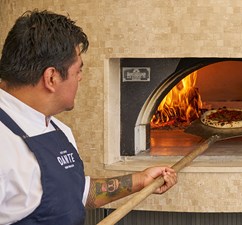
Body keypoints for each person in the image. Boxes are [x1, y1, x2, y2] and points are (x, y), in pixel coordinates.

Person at [0, 10, 178, 225]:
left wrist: (140, 180)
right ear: (52, 78)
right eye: (78, 71)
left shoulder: (57, 129)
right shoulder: (4, 146)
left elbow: (74, 193)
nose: (80, 78)